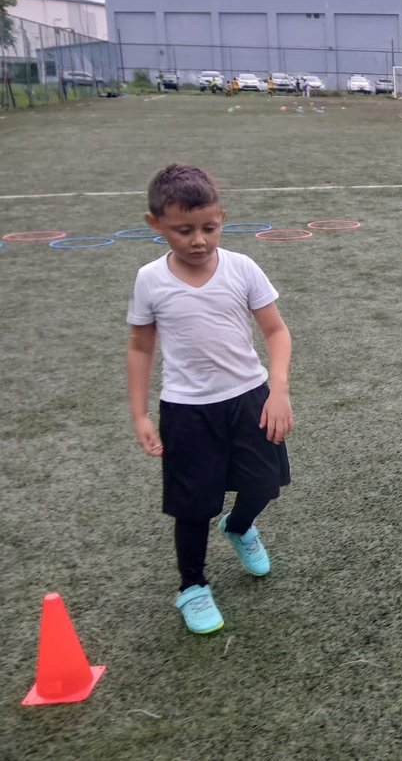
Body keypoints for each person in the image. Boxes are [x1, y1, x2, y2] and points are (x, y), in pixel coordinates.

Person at [126, 164, 294, 634]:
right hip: (186, 411)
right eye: (183, 230)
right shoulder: (150, 279)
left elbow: (277, 331)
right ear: (154, 223)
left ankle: (239, 528)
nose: (198, 240)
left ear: (223, 218)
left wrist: (278, 390)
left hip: (250, 399)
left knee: (264, 485)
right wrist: (140, 414)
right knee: (194, 506)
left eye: (209, 228)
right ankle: (192, 586)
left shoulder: (242, 267)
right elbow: (140, 347)